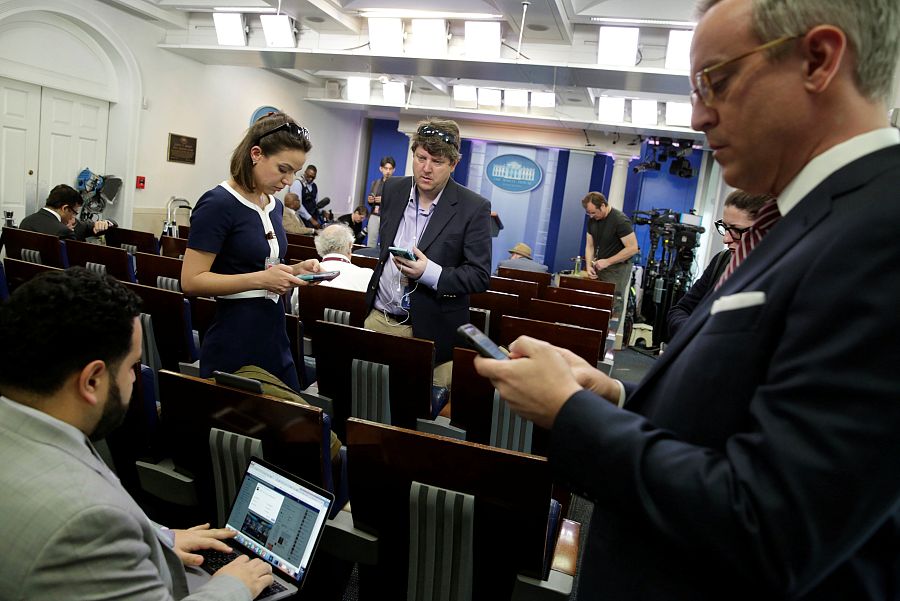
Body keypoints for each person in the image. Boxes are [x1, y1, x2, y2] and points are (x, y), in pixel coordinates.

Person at [475, 0, 900, 597]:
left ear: (819, 59)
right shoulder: (814, 218)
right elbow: (742, 412)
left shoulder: (879, 230)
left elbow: (768, 522)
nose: (698, 116)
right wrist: (617, 395)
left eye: (716, 81)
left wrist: (571, 413)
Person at [0, 268, 274, 600]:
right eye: (132, 366)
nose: (135, 379)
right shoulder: (88, 523)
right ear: (91, 381)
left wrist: (156, 538)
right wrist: (234, 587)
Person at [181, 112, 321, 392]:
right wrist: (261, 280)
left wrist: (295, 271)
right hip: (235, 335)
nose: (289, 180)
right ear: (256, 154)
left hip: (274, 333)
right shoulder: (219, 203)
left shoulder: (274, 205)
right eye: (283, 169)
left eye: (294, 171)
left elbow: (262, 266)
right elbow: (191, 281)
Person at [364, 119, 491, 388]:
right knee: (370, 405)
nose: (426, 168)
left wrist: (430, 273)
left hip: (432, 333)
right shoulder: (393, 188)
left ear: (454, 164)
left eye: (437, 161)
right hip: (379, 319)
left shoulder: (473, 207)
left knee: (416, 416)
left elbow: (479, 276)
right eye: (421, 158)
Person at [667, 190, 773, 338]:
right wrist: (695, 334)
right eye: (725, 228)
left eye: (736, 230)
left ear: (765, 230)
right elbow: (680, 310)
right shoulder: (722, 261)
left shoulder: (778, 277)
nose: (726, 239)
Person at [582, 191, 639, 323]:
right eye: (588, 213)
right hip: (600, 266)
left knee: (613, 304)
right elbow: (589, 245)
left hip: (617, 269)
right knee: (596, 303)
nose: (591, 216)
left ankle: (608, 340)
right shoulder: (592, 220)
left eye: (593, 212)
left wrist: (608, 261)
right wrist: (589, 265)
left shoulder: (620, 221)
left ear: (602, 206)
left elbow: (633, 248)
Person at [19, 184, 114, 240]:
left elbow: (87, 227)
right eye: (74, 212)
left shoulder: (26, 222)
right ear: (65, 208)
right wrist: (68, 231)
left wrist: (105, 223)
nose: (73, 217)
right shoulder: (62, 231)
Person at [364, 156, 396, 247]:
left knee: (385, 244)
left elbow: (397, 203)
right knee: (370, 243)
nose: (388, 171)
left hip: (388, 217)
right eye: (386, 168)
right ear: (381, 169)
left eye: (390, 169)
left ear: (394, 170)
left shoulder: (396, 184)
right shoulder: (375, 183)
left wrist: (384, 200)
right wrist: (370, 200)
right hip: (374, 214)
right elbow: (371, 201)